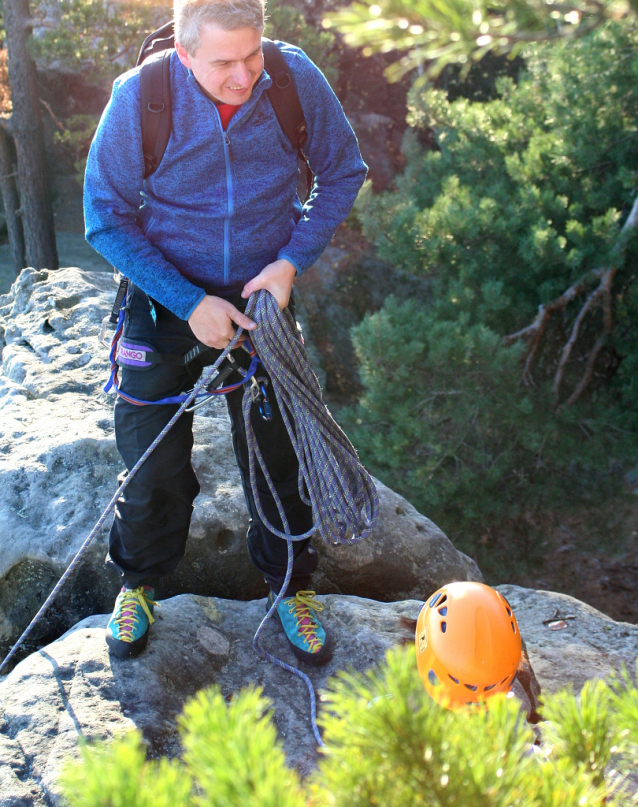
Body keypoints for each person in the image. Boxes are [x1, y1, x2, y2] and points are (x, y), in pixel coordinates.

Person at [83, 0, 367, 663]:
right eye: (223, 64)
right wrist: (188, 303)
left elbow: (342, 173)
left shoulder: (293, 80)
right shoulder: (142, 97)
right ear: (184, 54)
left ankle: (292, 585)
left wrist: (291, 262)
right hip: (164, 300)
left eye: (253, 55)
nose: (245, 77)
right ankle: (141, 580)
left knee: (277, 450)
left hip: (259, 298)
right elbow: (103, 214)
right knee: (151, 459)